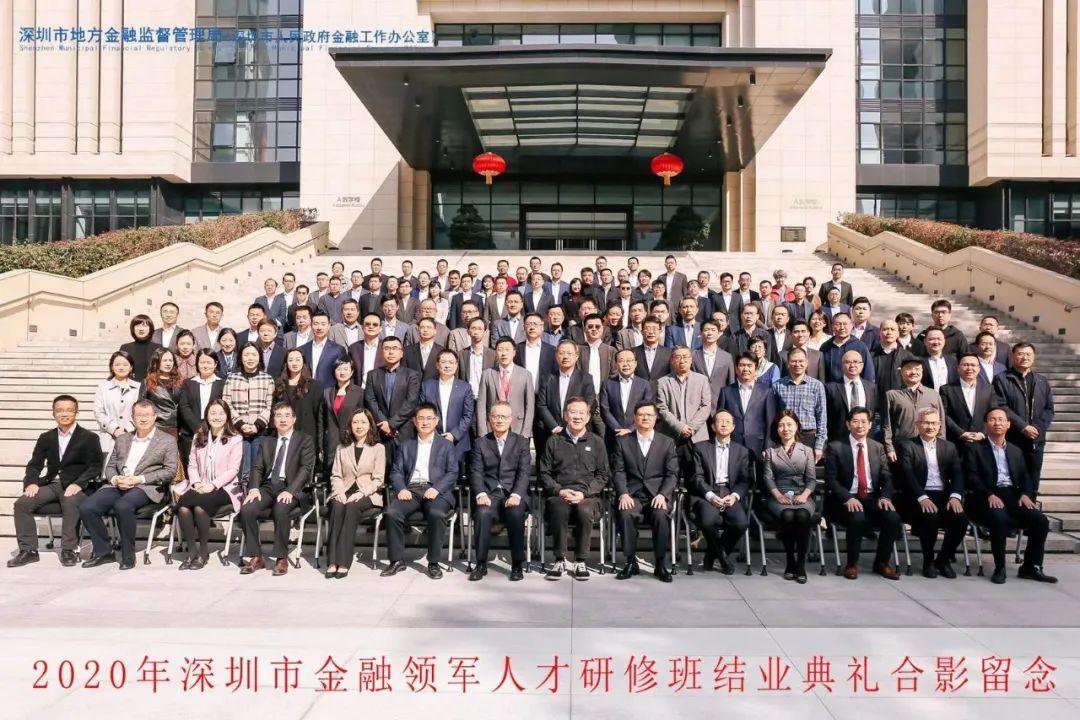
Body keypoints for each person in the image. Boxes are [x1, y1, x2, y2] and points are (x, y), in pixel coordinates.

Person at [80, 400, 178, 570]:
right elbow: (110, 466)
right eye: (139, 415)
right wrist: (115, 479)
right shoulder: (123, 439)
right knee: (87, 507)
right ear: (132, 418)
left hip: (145, 487)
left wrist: (139, 479)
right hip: (118, 485)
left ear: (155, 417)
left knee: (123, 505)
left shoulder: (167, 440)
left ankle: (127, 555)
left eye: (147, 415)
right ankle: (104, 551)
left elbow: (170, 471)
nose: (143, 419)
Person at [8, 395, 102, 568]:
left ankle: (69, 549)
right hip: (52, 483)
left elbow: (96, 466)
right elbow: (34, 465)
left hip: (76, 485)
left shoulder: (90, 437)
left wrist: (79, 483)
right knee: (22, 504)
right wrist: (31, 482)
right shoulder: (46, 437)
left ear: (76, 413)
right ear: (53, 413)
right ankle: (28, 551)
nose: (64, 414)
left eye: (69, 410)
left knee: (70, 501)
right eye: (59, 410)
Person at [966, 408, 1056, 584]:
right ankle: (1000, 567)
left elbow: (1025, 477)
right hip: (984, 498)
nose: (997, 423)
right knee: (999, 517)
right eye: (992, 419)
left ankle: (1031, 567)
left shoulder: (1016, 451)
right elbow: (971, 477)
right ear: (985, 424)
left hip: (1012, 497)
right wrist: (988, 494)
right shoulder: (975, 449)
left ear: (1008, 424)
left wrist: (1026, 494)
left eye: (1001, 420)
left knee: (1040, 521)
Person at [381, 403, 459, 579]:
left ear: (436, 421)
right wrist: (401, 488)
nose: (425, 422)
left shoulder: (446, 445)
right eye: (421, 419)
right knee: (392, 513)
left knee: (437, 514)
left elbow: (453, 472)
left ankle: (433, 563)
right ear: (414, 422)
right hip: (412, 490)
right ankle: (397, 561)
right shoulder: (405, 445)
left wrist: (437, 488)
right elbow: (396, 472)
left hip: (437, 491)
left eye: (429, 418)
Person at [238, 402, 317, 576]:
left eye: (287, 415)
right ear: (273, 420)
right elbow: (257, 467)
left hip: (292, 487)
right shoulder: (267, 440)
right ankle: (256, 557)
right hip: (268, 486)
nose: (283, 419)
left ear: (294, 419)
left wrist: (290, 490)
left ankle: (281, 558)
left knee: (281, 508)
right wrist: (254, 488)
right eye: (279, 416)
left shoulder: (304, 440)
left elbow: (305, 469)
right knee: (247, 509)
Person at [823, 406, 901, 580]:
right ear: (848, 424)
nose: (860, 426)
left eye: (864, 422)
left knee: (892, 518)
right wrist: (847, 498)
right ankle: (852, 564)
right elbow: (831, 479)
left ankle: (882, 563)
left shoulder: (877, 447)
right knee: (857, 517)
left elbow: (887, 477)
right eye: (855, 421)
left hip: (871, 498)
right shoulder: (836, 447)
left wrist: (885, 496)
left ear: (870, 424)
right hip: (844, 500)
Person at [539, 397, 608, 581]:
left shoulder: (597, 442)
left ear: (588, 417)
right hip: (560, 494)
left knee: (584, 510)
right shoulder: (554, 441)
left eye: (581, 413)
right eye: (573, 412)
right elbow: (544, 473)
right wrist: (559, 490)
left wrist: (584, 493)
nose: (577, 417)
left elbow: (603, 475)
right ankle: (559, 559)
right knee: (559, 508)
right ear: (565, 416)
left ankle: (580, 560)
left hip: (588, 496)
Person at [894, 408, 967, 579]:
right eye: (926, 423)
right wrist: (922, 497)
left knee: (961, 520)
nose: (930, 427)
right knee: (930, 517)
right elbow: (907, 475)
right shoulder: (907, 446)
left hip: (943, 495)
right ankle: (928, 561)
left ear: (939, 425)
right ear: (917, 425)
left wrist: (955, 496)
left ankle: (943, 560)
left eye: (934, 423)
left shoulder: (949, 447)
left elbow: (957, 474)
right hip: (917, 495)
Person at [611, 401, 679, 583]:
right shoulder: (624, 442)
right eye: (641, 414)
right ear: (635, 418)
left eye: (649, 415)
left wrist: (663, 494)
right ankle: (630, 562)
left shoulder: (667, 442)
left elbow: (672, 474)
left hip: (657, 496)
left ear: (656, 418)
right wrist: (623, 493)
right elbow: (618, 471)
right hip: (632, 495)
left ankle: (660, 563)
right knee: (625, 512)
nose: (645, 418)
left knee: (661, 515)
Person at [174, 399, 243, 570]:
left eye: (221, 413)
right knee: (183, 508)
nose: (217, 417)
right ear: (206, 416)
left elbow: (233, 470)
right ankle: (191, 552)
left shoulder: (235, 438)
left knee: (198, 507)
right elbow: (192, 465)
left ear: (227, 416)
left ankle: (203, 552)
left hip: (224, 488)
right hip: (200, 486)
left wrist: (212, 485)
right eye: (213, 413)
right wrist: (197, 482)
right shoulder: (198, 436)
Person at [469, 401, 533, 582]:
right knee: (482, 513)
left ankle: (517, 564)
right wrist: (481, 493)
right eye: (496, 416)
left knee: (515, 512)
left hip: (513, 492)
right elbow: (476, 472)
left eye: (503, 417)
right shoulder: (481, 443)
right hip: (489, 493)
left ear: (511, 419)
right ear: (490, 419)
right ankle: (481, 564)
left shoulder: (521, 442)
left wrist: (516, 494)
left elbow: (524, 472)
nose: (499, 420)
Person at [689, 410, 753, 574]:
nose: (723, 424)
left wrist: (735, 496)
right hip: (708, 492)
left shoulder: (742, 451)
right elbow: (697, 477)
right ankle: (723, 560)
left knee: (741, 523)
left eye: (727, 422)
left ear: (733, 427)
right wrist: (710, 495)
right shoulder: (700, 448)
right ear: (713, 426)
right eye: (720, 421)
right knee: (707, 522)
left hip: (730, 493)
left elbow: (744, 480)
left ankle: (712, 555)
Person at [325, 408, 386, 579]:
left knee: (351, 507)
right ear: (350, 426)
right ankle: (332, 561)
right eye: (355, 422)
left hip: (367, 494)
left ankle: (344, 562)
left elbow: (378, 479)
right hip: (343, 490)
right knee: (337, 506)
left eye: (363, 422)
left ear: (370, 425)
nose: (359, 426)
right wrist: (339, 491)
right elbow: (336, 475)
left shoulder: (378, 448)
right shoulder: (342, 447)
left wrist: (361, 493)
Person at [761, 411, 817, 583]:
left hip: (802, 494)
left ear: (797, 427)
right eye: (781, 425)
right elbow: (768, 478)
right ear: (776, 429)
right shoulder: (771, 452)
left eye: (789, 424)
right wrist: (778, 495)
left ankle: (800, 564)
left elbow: (811, 479)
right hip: (779, 495)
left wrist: (805, 495)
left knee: (802, 515)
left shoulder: (807, 450)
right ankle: (790, 560)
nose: (785, 429)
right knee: (787, 515)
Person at [992, 342, 1054, 494]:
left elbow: (1049, 409)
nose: (1024, 357)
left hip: (1036, 439)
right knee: (1013, 478)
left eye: (1028, 354)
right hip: (1013, 437)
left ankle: (1031, 504)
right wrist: (1023, 427)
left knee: (1033, 479)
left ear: (1033, 357)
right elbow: (1001, 406)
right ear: (1013, 356)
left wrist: (1037, 428)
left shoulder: (1042, 381)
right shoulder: (1002, 379)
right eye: (1020, 354)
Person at [222, 342, 275, 484]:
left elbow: (269, 405)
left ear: (259, 357)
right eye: (246, 355)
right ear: (240, 357)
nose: (250, 358)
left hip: (260, 431)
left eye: (253, 354)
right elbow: (227, 404)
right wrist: (240, 423)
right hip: (238, 431)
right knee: (241, 469)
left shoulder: (267, 379)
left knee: (258, 469)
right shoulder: (232, 378)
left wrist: (257, 425)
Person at [365, 336, 422, 458]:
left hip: (403, 431)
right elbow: (370, 400)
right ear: (382, 352)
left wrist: (391, 424)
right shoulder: (372, 375)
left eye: (395, 348)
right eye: (387, 348)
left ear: (401, 353)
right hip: (380, 431)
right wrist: (383, 423)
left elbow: (411, 403)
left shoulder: (412, 375)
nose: (391, 352)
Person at [536, 341, 596, 455]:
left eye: (569, 353)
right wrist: (554, 427)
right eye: (562, 353)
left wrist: (573, 427)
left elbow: (590, 404)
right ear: (556, 356)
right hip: (552, 432)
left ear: (576, 356)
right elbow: (541, 405)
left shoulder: (586, 379)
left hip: (577, 432)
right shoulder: (547, 378)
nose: (565, 357)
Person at [770, 347, 827, 459]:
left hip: (808, 437)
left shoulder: (816, 385)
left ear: (806, 363)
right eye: (794, 361)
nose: (797, 364)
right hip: (785, 436)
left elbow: (822, 416)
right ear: (788, 363)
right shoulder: (778, 386)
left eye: (801, 361)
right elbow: (772, 415)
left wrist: (819, 446)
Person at [884, 357, 945, 460]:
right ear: (901, 372)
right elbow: (887, 424)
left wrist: (941, 445)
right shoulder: (892, 395)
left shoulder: (933, 394)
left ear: (922, 371)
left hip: (929, 447)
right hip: (901, 447)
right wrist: (889, 448)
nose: (913, 372)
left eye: (917, 369)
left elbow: (941, 421)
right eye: (908, 368)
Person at [420, 349, 476, 462]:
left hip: (458, 443)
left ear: (456, 365)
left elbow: (468, 415)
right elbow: (422, 413)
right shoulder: (427, 386)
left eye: (451, 362)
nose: (447, 366)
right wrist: (433, 434)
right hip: (431, 440)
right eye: (443, 362)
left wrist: (454, 435)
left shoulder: (465, 388)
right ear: (437, 365)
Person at [477, 337, 534, 438]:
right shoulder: (487, 374)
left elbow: (529, 406)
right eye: (500, 350)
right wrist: (483, 433)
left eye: (507, 350)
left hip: (518, 428)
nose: (504, 353)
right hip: (492, 427)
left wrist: (525, 433)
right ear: (496, 352)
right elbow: (481, 406)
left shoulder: (525, 375)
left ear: (514, 352)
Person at [719, 354, 773, 460]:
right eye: (742, 365)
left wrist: (768, 447)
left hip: (758, 445)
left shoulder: (766, 391)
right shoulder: (726, 391)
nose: (746, 369)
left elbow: (770, 422)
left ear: (756, 368)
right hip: (732, 444)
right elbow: (720, 420)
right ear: (736, 368)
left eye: (749, 365)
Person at [177, 349, 225, 468]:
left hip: (215, 431)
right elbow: (184, 406)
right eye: (202, 362)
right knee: (191, 466)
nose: (205, 365)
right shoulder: (188, 383)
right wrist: (198, 428)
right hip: (190, 432)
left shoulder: (222, 383)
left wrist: (209, 427)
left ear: (215, 364)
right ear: (197, 364)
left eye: (209, 362)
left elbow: (224, 408)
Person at [273, 348, 324, 452]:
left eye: (298, 359)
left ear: (303, 362)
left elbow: (318, 416)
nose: (294, 363)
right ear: (286, 363)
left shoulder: (314, 386)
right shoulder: (279, 385)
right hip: (284, 437)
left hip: (307, 437)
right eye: (291, 360)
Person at [940, 354, 992, 454]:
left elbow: (993, 413)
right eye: (965, 365)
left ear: (979, 369)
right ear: (958, 368)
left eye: (973, 365)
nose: (969, 368)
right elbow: (944, 415)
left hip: (982, 443)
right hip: (956, 444)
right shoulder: (946, 389)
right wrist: (961, 433)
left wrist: (983, 433)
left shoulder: (989, 389)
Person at [824, 349, 878, 443]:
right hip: (838, 440)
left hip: (865, 439)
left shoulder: (871, 388)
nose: (852, 365)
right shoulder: (830, 388)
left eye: (856, 362)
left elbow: (875, 413)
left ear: (862, 365)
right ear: (842, 365)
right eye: (848, 362)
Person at [93, 350, 139, 458]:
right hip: (108, 437)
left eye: (125, 364)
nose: (121, 367)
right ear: (112, 367)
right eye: (117, 364)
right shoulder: (103, 387)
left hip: (132, 435)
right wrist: (114, 429)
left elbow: (140, 412)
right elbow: (98, 412)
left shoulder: (138, 387)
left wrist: (126, 429)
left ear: (131, 367)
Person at [820, 313, 874, 383]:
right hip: (830, 387)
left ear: (852, 325)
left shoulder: (860, 346)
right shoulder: (825, 347)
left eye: (845, 324)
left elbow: (868, 372)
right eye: (838, 324)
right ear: (832, 326)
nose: (842, 327)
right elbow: (821, 372)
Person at [139, 348, 182, 434]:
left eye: (170, 360)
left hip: (176, 427)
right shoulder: (147, 382)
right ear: (157, 362)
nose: (168, 363)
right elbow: (142, 405)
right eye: (165, 360)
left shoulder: (180, 381)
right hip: (156, 426)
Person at [300, 311, 348, 389]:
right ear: (311, 325)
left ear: (329, 326)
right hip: (306, 391)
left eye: (323, 324)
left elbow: (343, 374)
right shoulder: (302, 349)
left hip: (329, 392)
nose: (319, 327)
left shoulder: (338, 349)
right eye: (316, 324)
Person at [119, 314, 163, 382]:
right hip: (131, 385)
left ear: (150, 328)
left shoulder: (158, 348)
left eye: (144, 326)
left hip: (152, 385)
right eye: (138, 326)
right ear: (133, 328)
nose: (141, 329)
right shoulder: (125, 348)